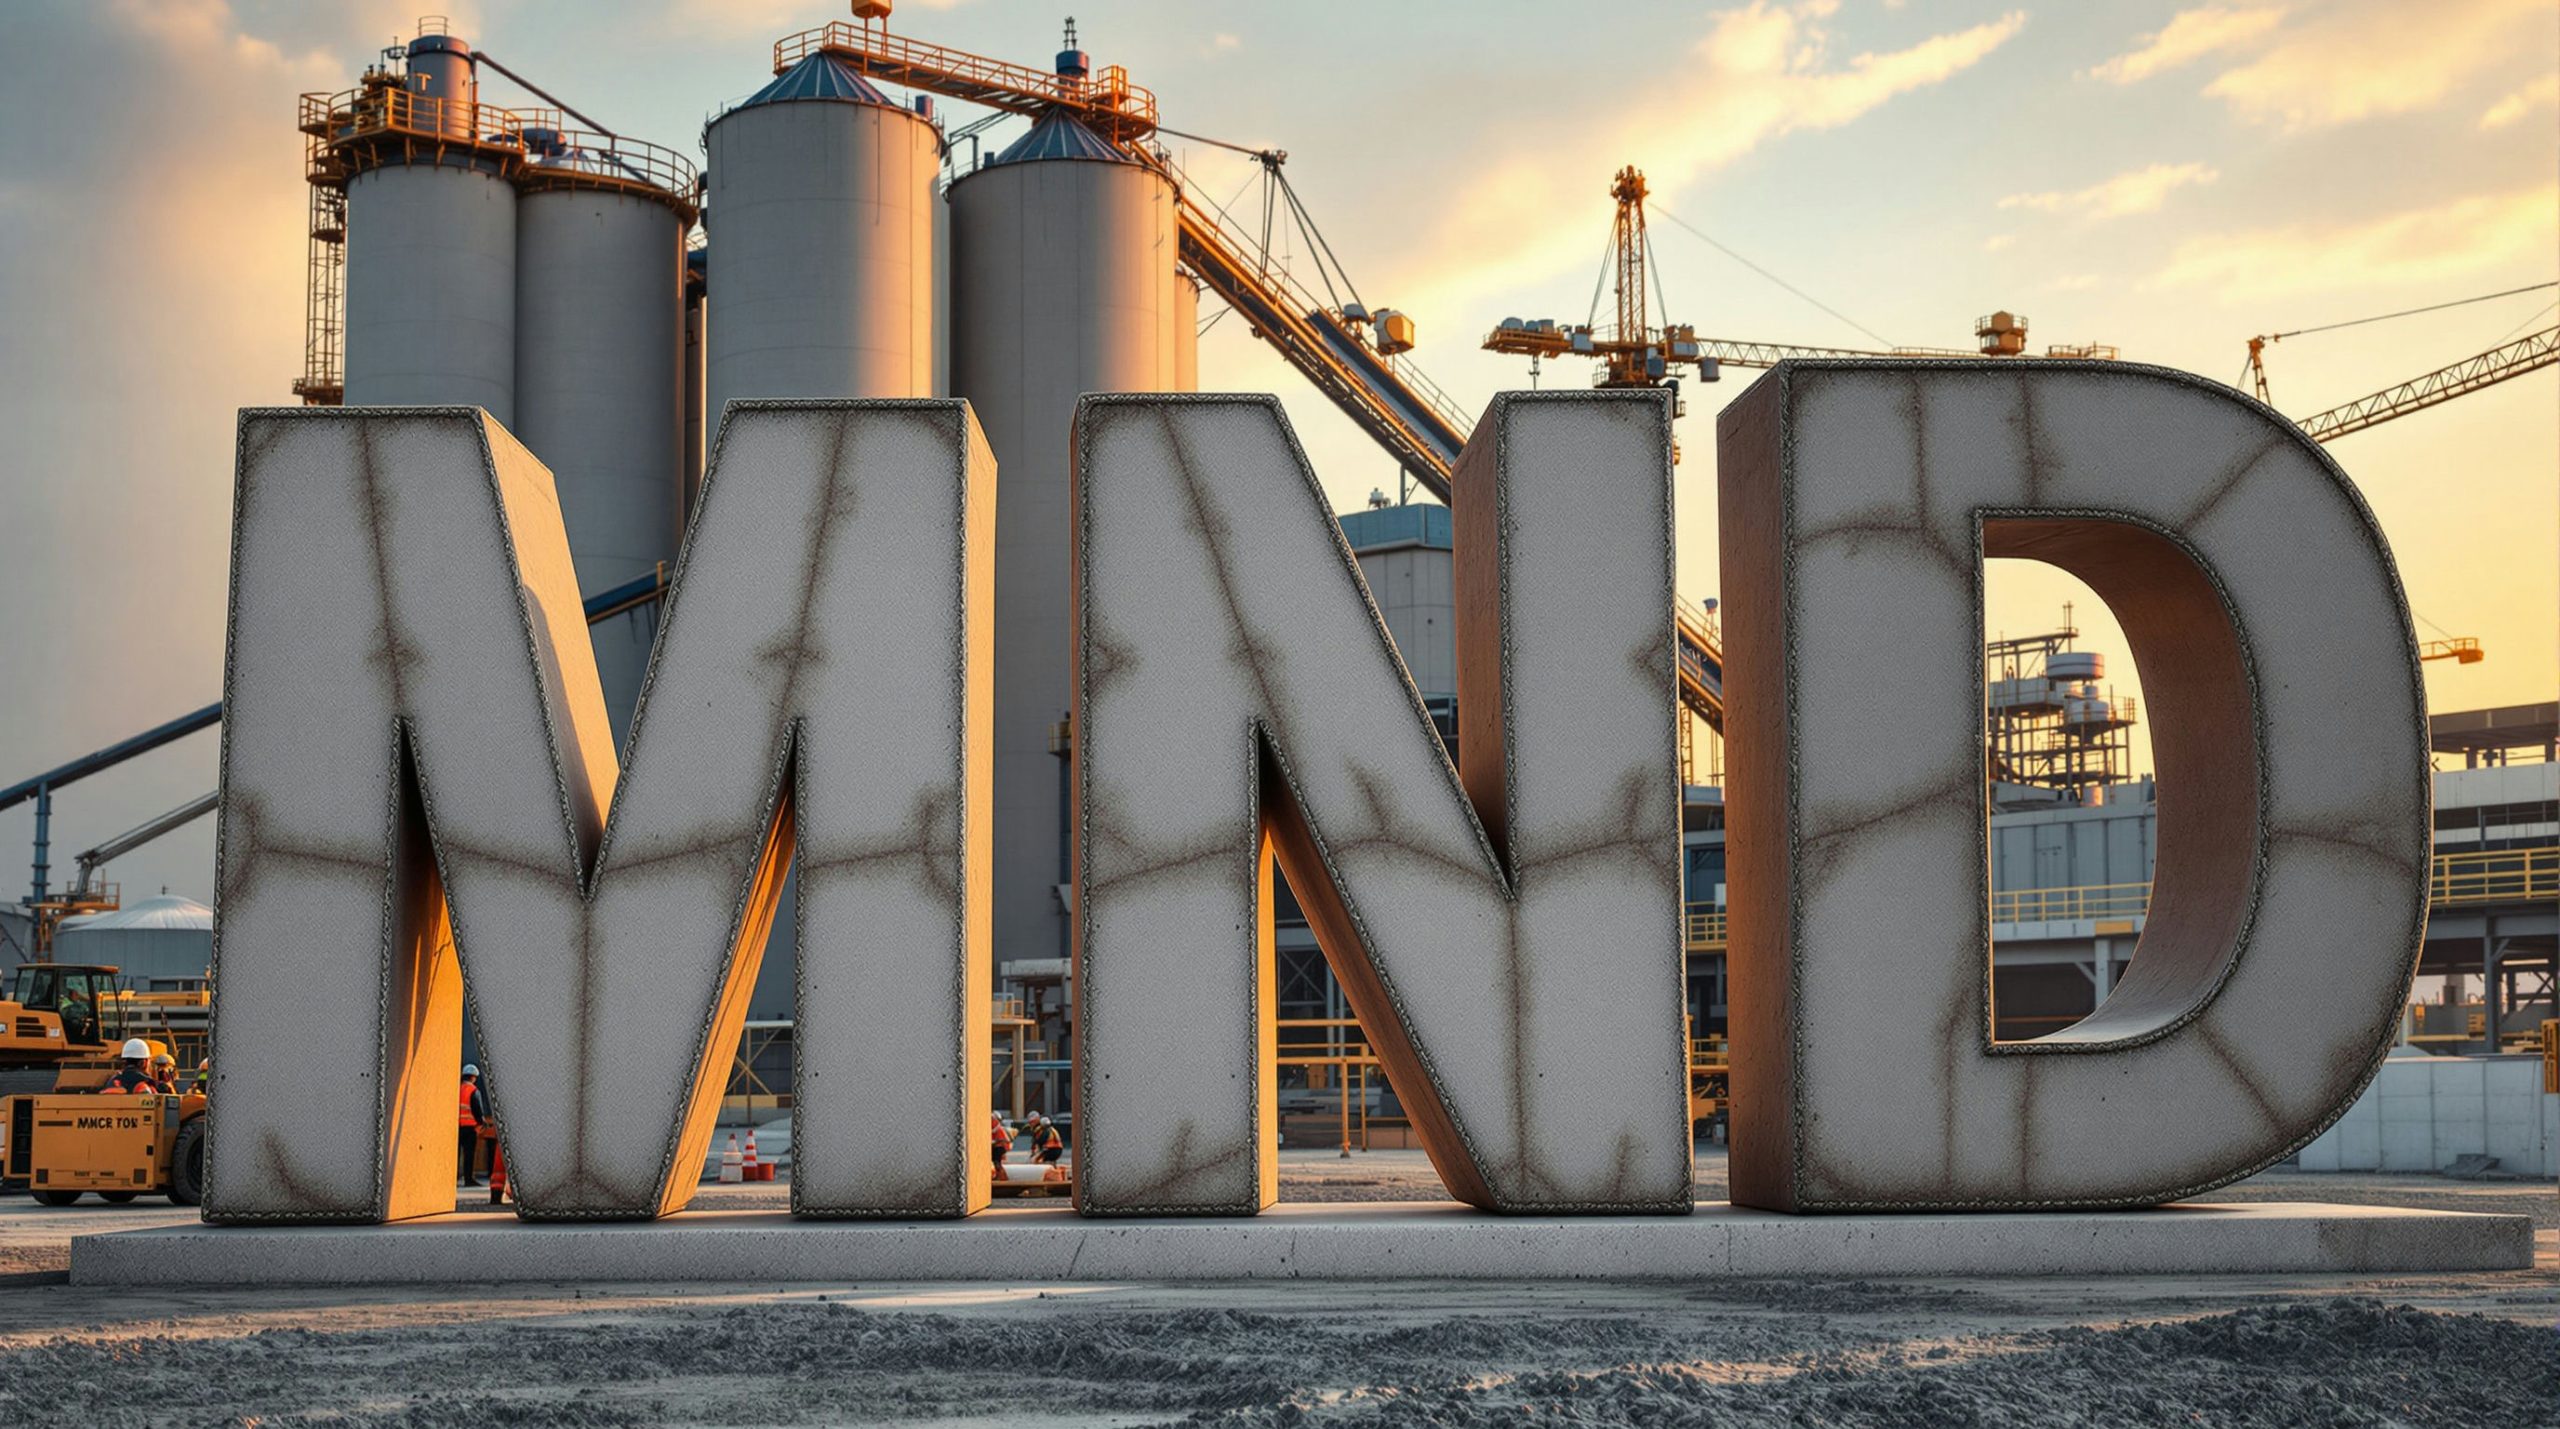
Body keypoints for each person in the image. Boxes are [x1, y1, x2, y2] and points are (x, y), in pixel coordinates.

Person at [458, 1065, 491, 1186]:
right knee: (469, 1154)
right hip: (470, 1128)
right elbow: (477, 1109)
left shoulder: (457, 1088)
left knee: (456, 1155)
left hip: (457, 1127)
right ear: (473, 1077)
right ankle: (468, 1179)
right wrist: (482, 1122)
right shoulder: (473, 1090)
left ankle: (454, 1178)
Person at [989, 1111, 1013, 1177]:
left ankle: (999, 1175)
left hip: (998, 1149)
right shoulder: (998, 1129)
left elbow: (1002, 1140)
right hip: (998, 1149)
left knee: (998, 1164)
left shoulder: (998, 1129)